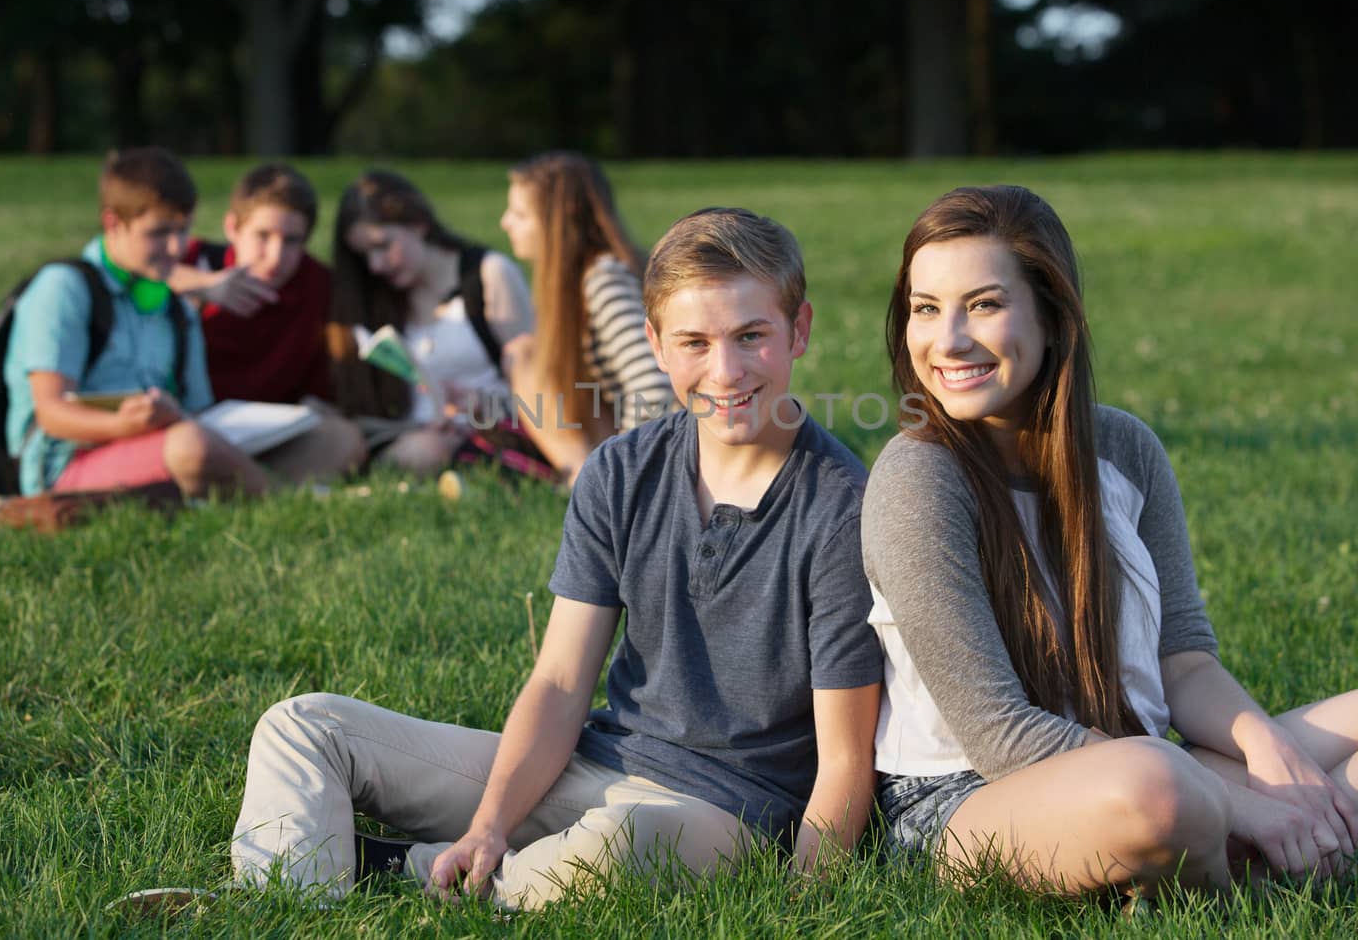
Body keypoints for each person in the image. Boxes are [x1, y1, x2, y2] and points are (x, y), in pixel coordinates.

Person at [230, 207, 883, 909]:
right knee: (304, 726)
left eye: (751, 336)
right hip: (594, 764)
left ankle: (392, 870)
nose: (724, 370)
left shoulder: (842, 508)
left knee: (617, 844)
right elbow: (562, 681)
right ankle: (286, 904)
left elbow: (846, 756)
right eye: (694, 341)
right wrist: (489, 824)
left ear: (800, 331)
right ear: (656, 344)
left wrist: (807, 898)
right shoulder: (621, 470)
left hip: (727, 814)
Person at [863, 184, 1358, 896]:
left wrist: (1267, 746)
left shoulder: (1127, 450)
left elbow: (1184, 664)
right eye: (926, 308)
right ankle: (1263, 849)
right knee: (1159, 787)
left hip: (1142, 766)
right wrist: (1244, 799)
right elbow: (998, 731)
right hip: (966, 803)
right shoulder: (917, 477)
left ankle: (1258, 851)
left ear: (1051, 314)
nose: (947, 340)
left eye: (984, 303)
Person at [3, 148, 269, 498]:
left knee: (334, 437)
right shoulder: (65, 287)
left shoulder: (176, 302)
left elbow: (198, 410)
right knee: (194, 445)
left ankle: (263, 483)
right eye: (158, 232)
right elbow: (51, 413)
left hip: (159, 445)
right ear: (113, 223)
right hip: (68, 464)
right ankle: (288, 496)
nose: (175, 247)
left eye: (183, 230)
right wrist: (125, 425)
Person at [328, 169, 539, 476]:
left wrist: (482, 405)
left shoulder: (488, 275)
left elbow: (539, 386)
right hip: (409, 433)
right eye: (364, 256)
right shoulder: (378, 295)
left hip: (491, 429)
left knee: (427, 452)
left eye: (383, 246)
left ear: (418, 224)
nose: (375, 265)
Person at [169, 162, 365, 484]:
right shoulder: (193, 261)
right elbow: (130, 274)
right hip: (190, 427)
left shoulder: (318, 285)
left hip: (272, 433)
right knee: (189, 448)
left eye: (292, 241)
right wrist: (201, 285)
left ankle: (245, 485)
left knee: (343, 439)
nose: (275, 256)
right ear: (233, 228)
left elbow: (324, 390)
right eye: (263, 236)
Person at [498, 152, 674, 485]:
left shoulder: (604, 280)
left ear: (556, 222)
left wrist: (624, 472)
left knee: (525, 356)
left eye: (520, 215)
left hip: (666, 448)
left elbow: (654, 389)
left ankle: (586, 480)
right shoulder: (581, 282)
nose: (505, 222)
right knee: (529, 350)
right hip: (637, 433)